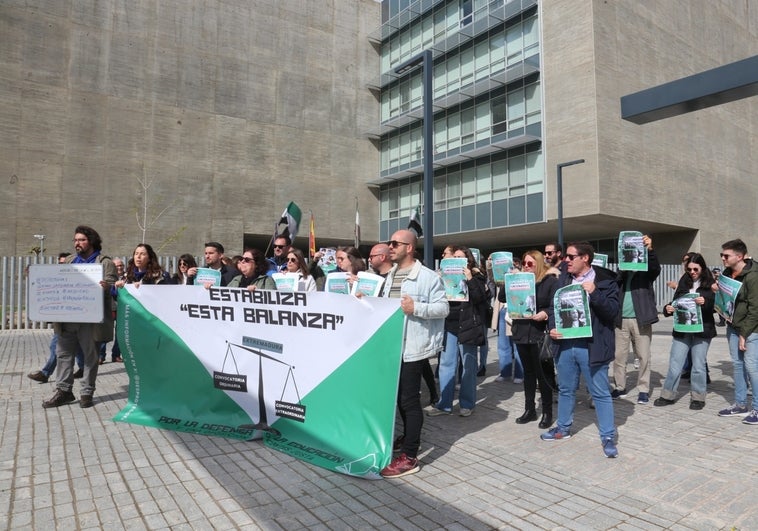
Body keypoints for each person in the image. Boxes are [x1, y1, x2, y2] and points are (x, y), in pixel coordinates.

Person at [379, 230, 448, 478]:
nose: (390, 247)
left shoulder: (427, 277)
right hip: (392, 347)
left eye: (395, 243)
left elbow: (443, 307)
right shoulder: (391, 276)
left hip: (414, 347)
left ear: (409, 248)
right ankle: (408, 437)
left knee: (409, 400)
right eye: (389, 243)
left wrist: (416, 307)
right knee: (397, 398)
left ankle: (410, 456)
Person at [541, 242, 620, 459]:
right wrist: (552, 328)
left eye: (570, 256)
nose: (566, 260)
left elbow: (612, 312)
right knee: (566, 390)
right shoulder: (563, 281)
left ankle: (607, 436)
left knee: (600, 393)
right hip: (566, 345)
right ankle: (563, 428)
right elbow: (552, 308)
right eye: (566, 256)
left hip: (592, 346)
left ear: (585, 258)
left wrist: (595, 293)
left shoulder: (605, 282)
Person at [42, 226, 118, 409]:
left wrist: (106, 287)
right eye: (75, 240)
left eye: (82, 240)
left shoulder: (104, 262)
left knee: (90, 357)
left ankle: (86, 392)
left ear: (91, 241)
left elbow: (114, 286)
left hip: (91, 321)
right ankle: (64, 391)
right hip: (68, 318)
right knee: (63, 355)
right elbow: (56, 282)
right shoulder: (69, 261)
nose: (77, 243)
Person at [428, 246, 488, 418]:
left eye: (461, 258)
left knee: (468, 366)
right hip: (450, 323)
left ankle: (467, 403)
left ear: (468, 261)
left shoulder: (477, 276)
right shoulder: (444, 274)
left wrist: (469, 278)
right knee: (446, 364)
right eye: (454, 257)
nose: (457, 260)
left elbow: (479, 298)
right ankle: (444, 404)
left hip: (468, 324)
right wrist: (439, 280)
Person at [654, 253, 716, 410]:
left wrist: (706, 301)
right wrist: (668, 308)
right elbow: (677, 301)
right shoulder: (684, 281)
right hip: (682, 329)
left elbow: (717, 306)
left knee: (698, 365)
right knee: (675, 363)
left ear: (702, 267)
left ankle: (698, 397)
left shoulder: (711, 283)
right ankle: (667, 394)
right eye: (689, 269)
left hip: (702, 330)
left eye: (696, 269)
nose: (693, 272)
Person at [511, 251, 559, 429]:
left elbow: (555, 305)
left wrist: (546, 313)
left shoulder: (549, 281)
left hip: (540, 334)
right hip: (522, 332)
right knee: (528, 374)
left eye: (530, 263)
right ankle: (529, 409)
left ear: (538, 264)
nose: (525, 266)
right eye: (524, 262)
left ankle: (547, 412)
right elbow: (503, 298)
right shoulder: (519, 280)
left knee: (544, 375)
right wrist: (510, 281)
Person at [611, 234, 660, 405]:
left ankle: (643, 389)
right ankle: (619, 387)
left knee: (643, 356)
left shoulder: (646, 272)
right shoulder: (622, 273)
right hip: (620, 320)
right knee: (619, 356)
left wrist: (650, 250)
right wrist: (623, 269)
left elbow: (656, 268)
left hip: (641, 320)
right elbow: (614, 281)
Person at [715, 239, 758, 423]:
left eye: (726, 255)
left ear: (739, 256)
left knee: (752, 367)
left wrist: (744, 334)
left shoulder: (753, 275)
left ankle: (757, 408)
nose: (723, 258)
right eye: (722, 255)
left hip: (751, 329)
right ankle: (740, 404)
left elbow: (756, 308)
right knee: (738, 366)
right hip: (733, 326)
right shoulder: (727, 272)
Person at [27, 252, 84, 383]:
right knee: (77, 347)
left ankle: (46, 373)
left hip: (72, 321)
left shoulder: (77, 280)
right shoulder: (56, 279)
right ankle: (83, 368)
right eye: (60, 263)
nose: (61, 265)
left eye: (64, 263)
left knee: (56, 346)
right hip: (61, 321)